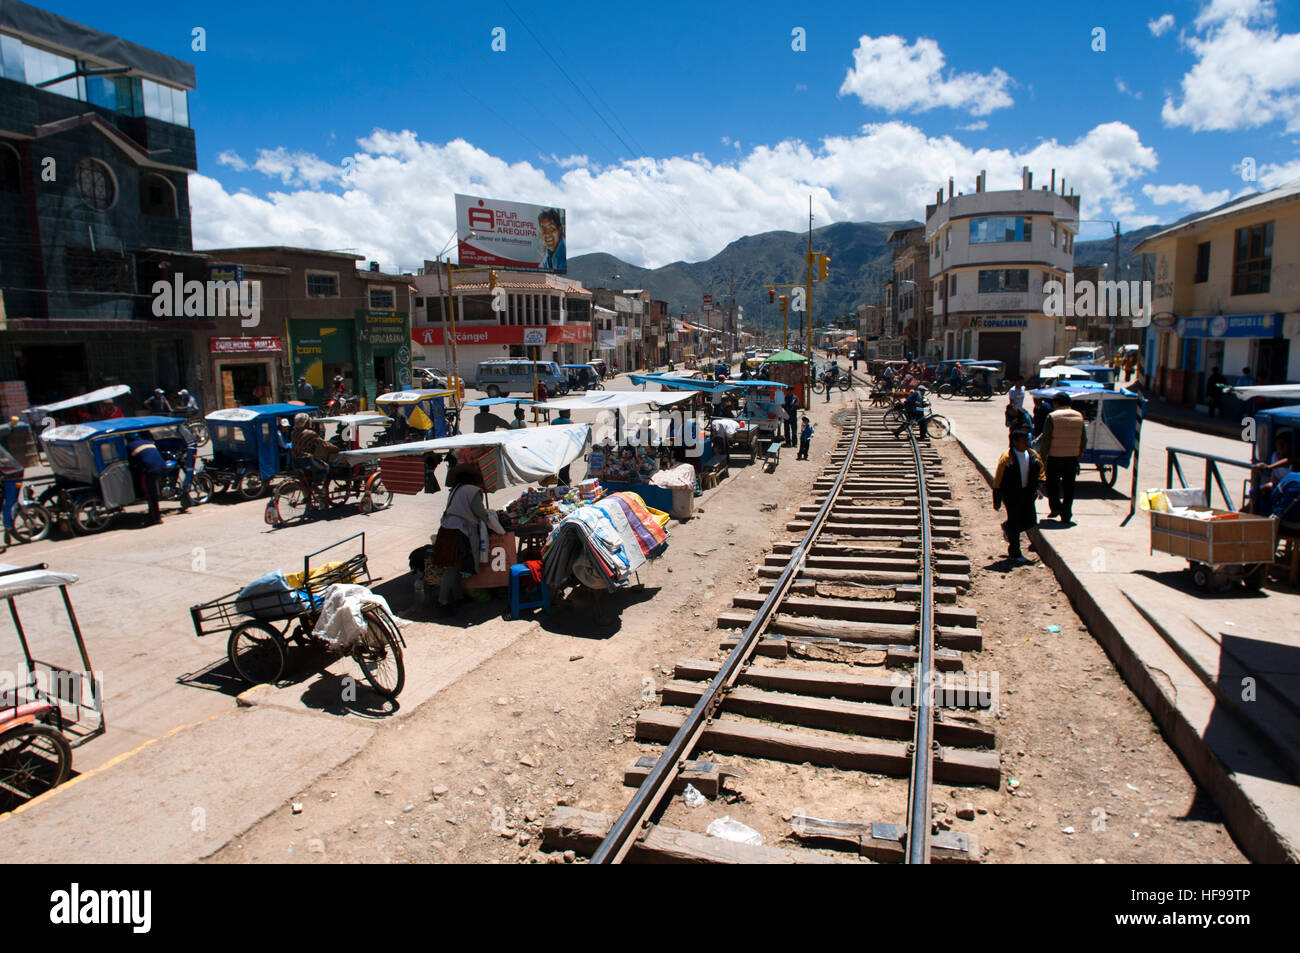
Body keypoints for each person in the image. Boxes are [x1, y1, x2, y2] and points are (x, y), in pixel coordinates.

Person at [430, 464, 491, 614]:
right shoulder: (472, 490)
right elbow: (479, 512)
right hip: (458, 532)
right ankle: (443, 602)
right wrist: (489, 517)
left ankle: (458, 597)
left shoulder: (456, 490)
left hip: (446, 529)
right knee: (452, 568)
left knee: (455, 566)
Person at [993, 428, 1045, 564]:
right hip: (1011, 495)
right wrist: (997, 499)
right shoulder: (1006, 458)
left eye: (1027, 440)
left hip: (1028, 495)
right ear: (1015, 442)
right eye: (1024, 441)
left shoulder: (1033, 455)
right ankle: (1015, 553)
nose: (1027, 443)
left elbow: (1041, 473)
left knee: (1030, 521)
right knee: (1015, 522)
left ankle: (1008, 527)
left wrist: (1039, 488)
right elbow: (998, 479)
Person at [1039, 392, 1087, 524]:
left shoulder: (1052, 417)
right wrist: (1080, 452)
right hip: (1071, 459)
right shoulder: (1079, 416)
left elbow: (1046, 440)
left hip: (1055, 457)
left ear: (1056, 403)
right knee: (1069, 487)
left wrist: (1042, 458)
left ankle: (1056, 507)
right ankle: (1066, 514)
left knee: (1052, 485)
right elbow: (1084, 438)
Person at [126, 432, 169, 524]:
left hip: (149, 469)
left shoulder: (130, 446)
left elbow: (131, 463)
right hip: (162, 465)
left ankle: (155, 518)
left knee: (150, 494)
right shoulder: (147, 442)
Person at [1249, 431, 1294, 515]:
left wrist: (1269, 467)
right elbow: (1274, 477)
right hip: (1277, 487)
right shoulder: (1275, 456)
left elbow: (1289, 461)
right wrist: (1270, 485)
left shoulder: (1294, 460)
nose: (1280, 447)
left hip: (1288, 490)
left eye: (1283, 444)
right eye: (1278, 444)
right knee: (1255, 491)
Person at [290, 412, 336, 490]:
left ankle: (308, 494)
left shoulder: (293, 433)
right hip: (306, 460)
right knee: (325, 468)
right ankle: (315, 486)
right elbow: (324, 445)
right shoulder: (310, 433)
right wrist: (335, 448)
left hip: (294, 461)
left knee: (308, 478)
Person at [0, 433, 23, 550]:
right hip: (11, 476)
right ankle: (8, 526)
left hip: (7, 475)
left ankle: (7, 529)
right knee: (9, 502)